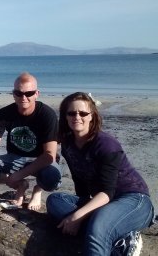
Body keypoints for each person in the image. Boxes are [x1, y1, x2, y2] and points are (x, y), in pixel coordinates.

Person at [46, 92, 154, 255]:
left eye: (83, 113)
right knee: (55, 201)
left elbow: (107, 192)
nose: (77, 117)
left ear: (92, 116)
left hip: (133, 200)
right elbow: (80, 183)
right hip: (104, 204)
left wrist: (78, 217)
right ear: (65, 117)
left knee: (98, 226)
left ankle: (106, 229)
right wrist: (80, 211)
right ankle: (121, 240)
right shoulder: (68, 145)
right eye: (71, 113)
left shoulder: (106, 145)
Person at [0, 72, 61, 210]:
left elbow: (49, 155)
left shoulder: (47, 115)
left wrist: (18, 174)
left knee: (52, 178)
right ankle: (21, 185)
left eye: (29, 93)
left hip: (40, 159)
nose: (24, 98)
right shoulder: (4, 113)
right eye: (18, 93)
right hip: (14, 158)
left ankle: (37, 189)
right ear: (13, 94)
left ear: (37, 94)